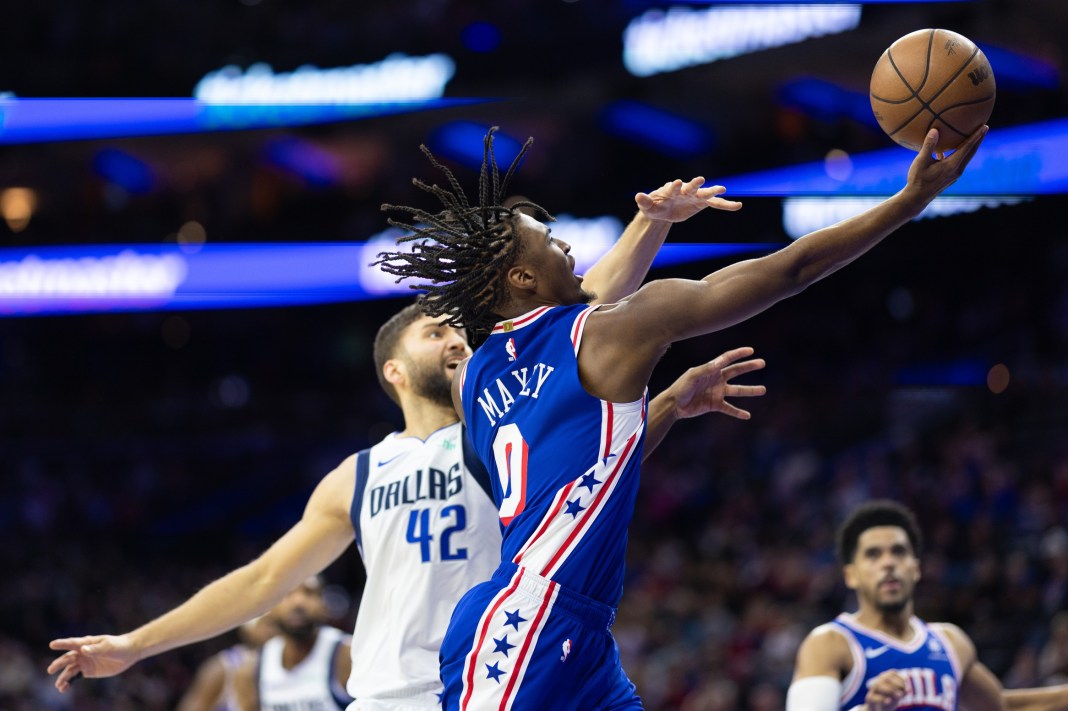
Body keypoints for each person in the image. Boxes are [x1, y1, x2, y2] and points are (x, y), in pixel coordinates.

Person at [47, 171, 767, 710]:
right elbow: (263, 580)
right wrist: (135, 644)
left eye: (460, 330)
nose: (457, 338)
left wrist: (651, 234)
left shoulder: (502, 415)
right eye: (436, 333)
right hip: (388, 694)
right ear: (395, 369)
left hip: (496, 675)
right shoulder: (356, 476)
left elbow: (587, 332)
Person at [368, 124, 986, 709]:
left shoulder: (475, 378)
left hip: (570, 629)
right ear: (524, 276)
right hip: (527, 624)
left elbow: (581, 468)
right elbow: (789, 269)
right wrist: (909, 200)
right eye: (550, 241)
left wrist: (664, 402)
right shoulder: (611, 331)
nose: (568, 245)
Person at [786, 500, 1068, 710]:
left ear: (916, 568)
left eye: (899, 552)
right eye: (873, 555)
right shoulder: (831, 643)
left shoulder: (950, 642)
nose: (888, 563)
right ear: (851, 574)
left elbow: (1000, 707)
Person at [232, 576, 354, 711]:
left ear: (323, 606)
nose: (298, 602)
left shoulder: (349, 655)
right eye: (287, 593)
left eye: (309, 593)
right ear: (271, 608)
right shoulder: (251, 669)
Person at [177, 614, 277, 711]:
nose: (275, 630)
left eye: (278, 624)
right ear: (247, 629)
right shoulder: (222, 668)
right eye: (269, 624)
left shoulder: (285, 666)